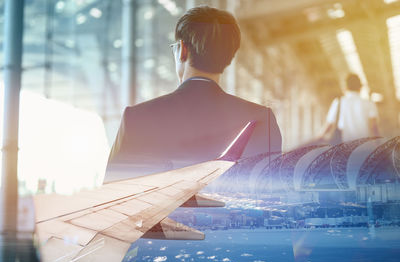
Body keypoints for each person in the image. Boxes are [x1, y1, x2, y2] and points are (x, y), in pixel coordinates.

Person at [104, 6, 281, 183]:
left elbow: (110, 196)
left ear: (182, 50)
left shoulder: (137, 117)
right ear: (229, 56)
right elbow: (272, 192)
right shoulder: (262, 120)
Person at [318, 73, 379, 144]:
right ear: (360, 87)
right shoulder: (369, 103)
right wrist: (378, 143)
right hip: (365, 147)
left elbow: (329, 125)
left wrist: (318, 137)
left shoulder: (338, 102)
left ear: (345, 87)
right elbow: (373, 126)